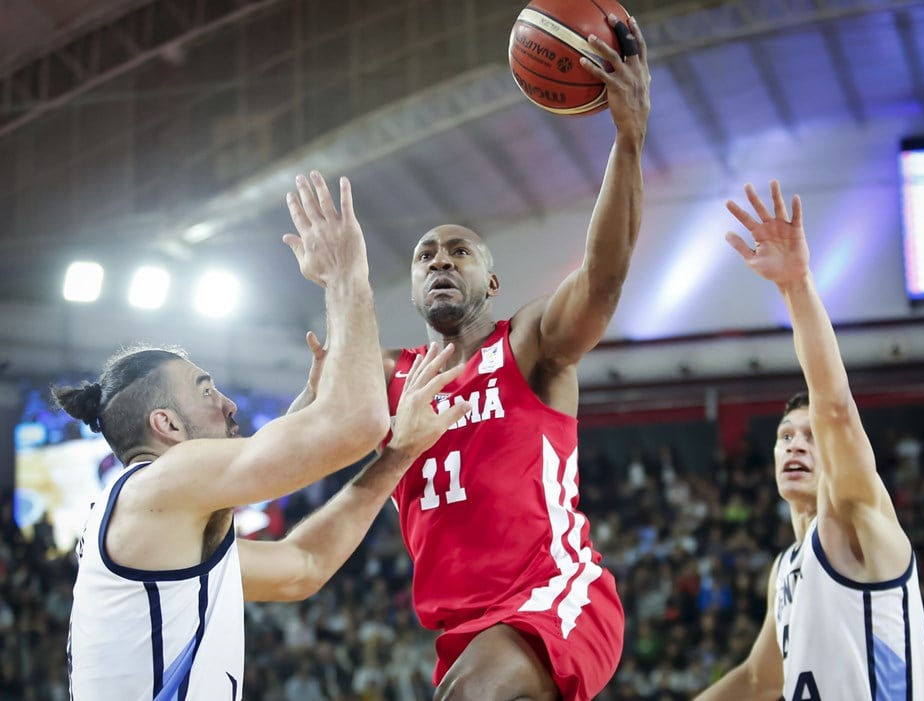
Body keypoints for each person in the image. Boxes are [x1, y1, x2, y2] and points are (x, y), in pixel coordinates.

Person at [55, 171, 471, 701]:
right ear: (166, 426)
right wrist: (347, 276)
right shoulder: (160, 484)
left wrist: (400, 456)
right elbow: (357, 423)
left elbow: (304, 568)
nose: (228, 403)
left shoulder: (166, 528)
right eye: (206, 392)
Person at [380, 13, 651, 701]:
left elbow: (605, 278)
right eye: (425, 255)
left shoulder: (529, 346)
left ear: (491, 282)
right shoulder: (390, 376)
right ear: (412, 285)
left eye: (458, 251)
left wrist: (627, 141)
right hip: (465, 631)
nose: (440, 258)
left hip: (556, 594)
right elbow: (304, 433)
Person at [693, 181, 924, 700]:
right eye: (786, 436)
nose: (797, 445)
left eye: (810, 437)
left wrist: (796, 285)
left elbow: (834, 408)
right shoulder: (785, 568)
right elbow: (760, 680)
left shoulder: (857, 517)